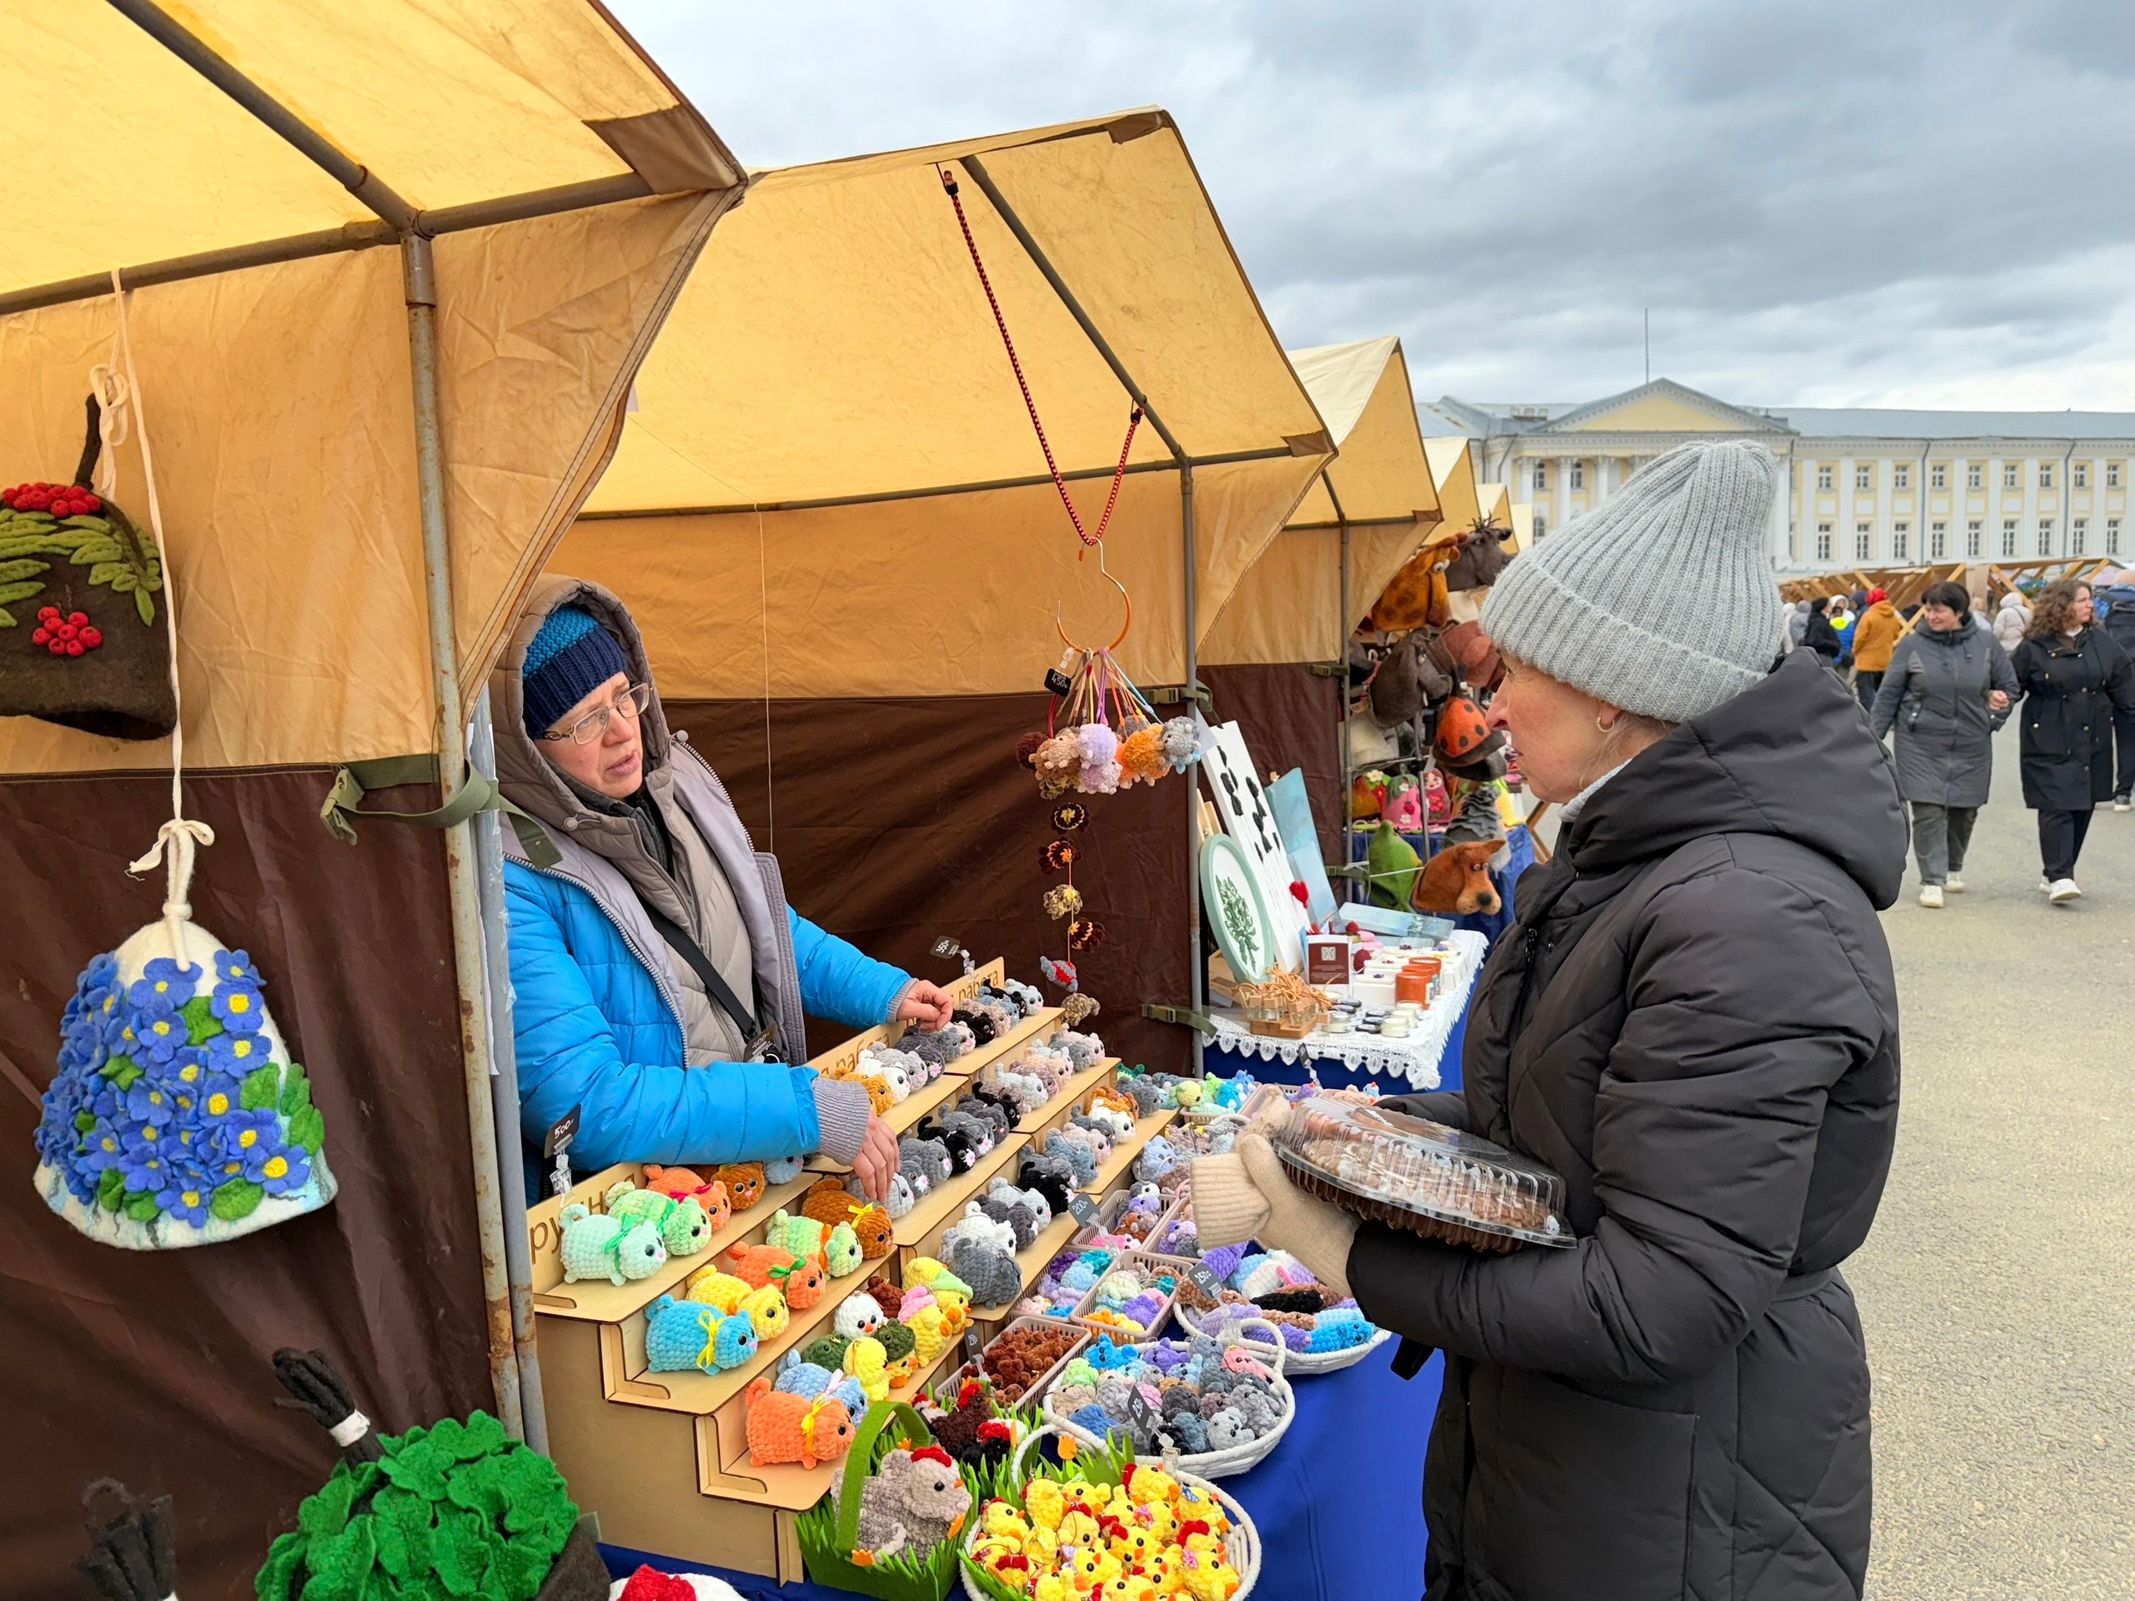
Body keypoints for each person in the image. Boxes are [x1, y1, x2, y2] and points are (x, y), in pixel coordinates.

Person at [1195, 440, 1902, 1601]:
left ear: (1612, 690)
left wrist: (1351, 1256)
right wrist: (1351, 1136)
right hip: (1581, 1466)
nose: (1486, 703)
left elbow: (1657, 1294)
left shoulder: (1745, 916)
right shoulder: (1638, 856)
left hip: (1679, 1503)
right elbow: (1550, 1118)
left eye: (1514, 670)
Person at [490, 578, 958, 1196]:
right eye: (585, 722)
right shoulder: (515, 878)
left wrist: (886, 992)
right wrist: (798, 1110)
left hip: (748, 1165)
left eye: (624, 697)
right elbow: (583, 1106)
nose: (623, 730)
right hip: (650, 1210)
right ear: (531, 751)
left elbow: (764, 930)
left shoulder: (677, 790)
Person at [1869, 580, 2017, 907]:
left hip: (1971, 741)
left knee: (1965, 810)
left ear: (1959, 612)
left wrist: (1994, 716)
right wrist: (1869, 740)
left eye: (1939, 610)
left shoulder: (1986, 644)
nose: (1932, 616)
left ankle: (1953, 865)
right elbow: (1888, 696)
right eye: (1929, 609)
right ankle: (1931, 879)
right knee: (1928, 809)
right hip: (1920, 741)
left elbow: (2009, 688)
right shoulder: (1911, 646)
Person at [2008, 579, 2135, 902]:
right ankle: (2061, 875)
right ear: (2061, 605)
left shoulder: (2102, 643)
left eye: (2089, 600)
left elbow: (2124, 688)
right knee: (2056, 807)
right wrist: (1993, 707)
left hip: (2092, 739)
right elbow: (2011, 686)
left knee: (2083, 807)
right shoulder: (2033, 647)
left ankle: (2054, 871)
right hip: (2048, 737)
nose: (2089, 605)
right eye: (2082, 600)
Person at [2097, 571, 2135, 809]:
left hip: (2112, 677)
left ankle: (2110, 791)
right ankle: (2123, 792)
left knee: (2111, 737)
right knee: (2128, 737)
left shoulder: (2102, 602)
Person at [1850, 585, 1902, 711]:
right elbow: (1895, 635)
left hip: (1866, 663)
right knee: (1881, 694)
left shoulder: (1869, 615)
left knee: (1866, 695)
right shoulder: (1892, 615)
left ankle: (1870, 721)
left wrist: (1855, 651)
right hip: (1885, 661)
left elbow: (1860, 638)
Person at [1801, 594, 1843, 664]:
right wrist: (1833, 644)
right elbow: (1814, 640)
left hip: (1820, 655)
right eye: (1829, 605)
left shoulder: (1819, 620)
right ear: (1824, 607)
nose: (1831, 607)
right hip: (1821, 656)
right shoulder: (1819, 622)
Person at [1993, 586, 2032, 652]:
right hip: (2021, 645)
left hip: (2006, 646)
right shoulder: (2028, 612)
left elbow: (1998, 630)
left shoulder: (2004, 612)